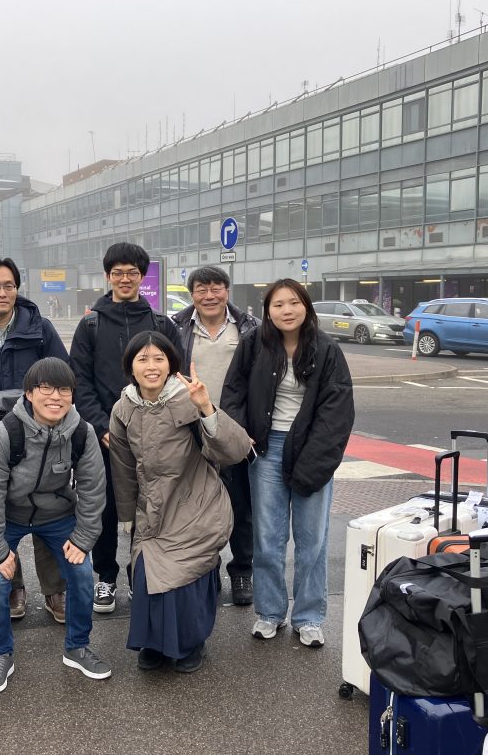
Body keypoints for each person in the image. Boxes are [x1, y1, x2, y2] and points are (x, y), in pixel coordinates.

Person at [221, 279, 354, 648]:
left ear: (306, 307)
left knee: (312, 541)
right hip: (266, 449)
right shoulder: (254, 345)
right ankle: (270, 612)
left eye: (294, 303)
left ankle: (309, 617)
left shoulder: (327, 350)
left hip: (312, 449)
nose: (286, 310)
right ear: (267, 311)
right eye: (278, 304)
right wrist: (241, 433)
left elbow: (337, 412)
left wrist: (315, 463)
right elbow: (233, 392)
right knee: (268, 539)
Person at [109, 331, 251, 673]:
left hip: (196, 504)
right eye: (142, 359)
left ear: (171, 363)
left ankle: (189, 642)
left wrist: (205, 407)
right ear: (131, 367)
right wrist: (127, 516)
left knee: (185, 576)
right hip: (153, 511)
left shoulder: (187, 399)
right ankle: (155, 643)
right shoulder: (123, 408)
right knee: (145, 574)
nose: (151, 366)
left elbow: (236, 450)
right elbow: (123, 467)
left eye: (159, 358)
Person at [0, 357, 111, 693]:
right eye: (45, 388)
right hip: (9, 515)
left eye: (64, 389)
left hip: (56, 514)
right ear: (29, 393)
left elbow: (93, 489)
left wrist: (83, 538)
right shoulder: (7, 432)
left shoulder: (82, 432)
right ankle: (0, 654)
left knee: (80, 573)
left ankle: (77, 647)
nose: (55, 397)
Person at [69, 241, 183, 614]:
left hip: (154, 435)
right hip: (103, 435)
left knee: (149, 506)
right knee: (101, 507)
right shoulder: (90, 324)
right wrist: (102, 426)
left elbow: (174, 376)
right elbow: (79, 382)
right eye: (117, 272)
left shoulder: (161, 324)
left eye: (132, 272)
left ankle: (142, 575)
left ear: (141, 276)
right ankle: (105, 577)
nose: (124, 279)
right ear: (107, 277)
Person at [0, 256, 70, 623]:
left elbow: (63, 375)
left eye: (9, 285)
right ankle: (13, 586)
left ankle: (55, 590)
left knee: (46, 506)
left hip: (40, 434)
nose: (2, 292)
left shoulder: (38, 328)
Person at [171, 266, 259, 606]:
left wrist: (250, 430)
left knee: (240, 507)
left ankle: (241, 572)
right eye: (201, 289)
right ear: (191, 294)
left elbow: (260, 383)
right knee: (196, 507)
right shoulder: (177, 327)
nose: (210, 295)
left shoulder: (250, 329)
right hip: (192, 430)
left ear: (227, 290)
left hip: (235, 431)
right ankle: (208, 570)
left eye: (216, 288)